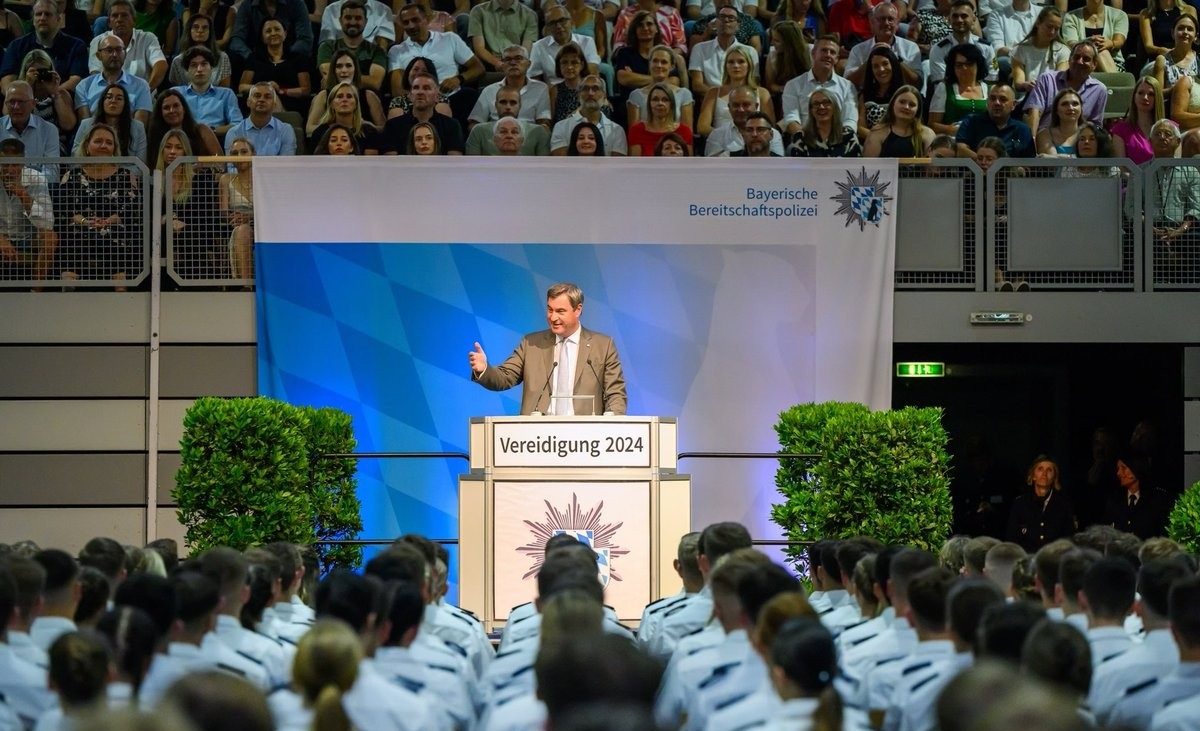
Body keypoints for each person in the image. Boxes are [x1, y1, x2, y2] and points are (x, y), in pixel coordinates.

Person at [469, 282, 627, 416]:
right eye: (550, 310)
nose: (553, 317)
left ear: (578, 310)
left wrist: (612, 426)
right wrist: (484, 369)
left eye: (560, 311)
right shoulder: (531, 344)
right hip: (538, 440)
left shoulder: (602, 345)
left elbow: (615, 394)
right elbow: (504, 378)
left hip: (585, 440)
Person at [57, 124, 139, 288]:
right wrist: (85, 222)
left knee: (115, 234)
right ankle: (67, 295)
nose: (104, 146)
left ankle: (121, 294)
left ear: (114, 148)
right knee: (73, 235)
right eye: (98, 141)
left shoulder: (126, 175)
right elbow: (65, 209)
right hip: (80, 228)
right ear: (87, 145)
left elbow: (131, 208)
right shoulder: (71, 175)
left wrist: (108, 221)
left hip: (114, 227)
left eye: (109, 142)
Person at [388, 3, 482, 100]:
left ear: (427, 20)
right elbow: (397, 90)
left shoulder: (450, 39)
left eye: (415, 20)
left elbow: (478, 67)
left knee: (469, 94)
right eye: (406, 23)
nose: (411, 26)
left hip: (450, 98)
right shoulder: (396, 51)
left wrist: (458, 79)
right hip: (416, 103)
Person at [0, 0, 87, 94]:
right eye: (38, 14)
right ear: (33, 20)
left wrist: (51, 95)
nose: (42, 18)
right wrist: (24, 94)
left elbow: (76, 80)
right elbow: (6, 82)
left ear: (58, 19)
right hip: (22, 103)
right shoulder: (16, 46)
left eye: (48, 14)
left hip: (59, 100)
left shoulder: (76, 46)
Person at [779, 34, 857, 138]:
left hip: (838, 140)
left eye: (832, 52)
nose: (828, 55)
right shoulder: (793, 85)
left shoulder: (847, 87)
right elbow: (791, 118)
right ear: (813, 53)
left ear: (837, 59)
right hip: (804, 139)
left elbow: (850, 120)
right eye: (824, 50)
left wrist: (840, 141)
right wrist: (804, 140)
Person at [0, 138, 55, 284]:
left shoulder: (36, 178)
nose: (10, 170)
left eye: (15, 164)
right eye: (5, 164)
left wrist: (23, 194)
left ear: (23, 162)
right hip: (1, 236)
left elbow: (47, 224)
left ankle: (35, 292)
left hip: (28, 238)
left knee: (50, 238)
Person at [1023, 39, 1107, 132]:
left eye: (1086, 59)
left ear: (1094, 65)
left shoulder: (1099, 89)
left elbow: (1095, 124)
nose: (1080, 62)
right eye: (1076, 57)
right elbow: (1034, 113)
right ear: (1069, 60)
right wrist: (1033, 140)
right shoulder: (1047, 79)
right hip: (1045, 137)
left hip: (1077, 141)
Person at [236, 18, 311, 116]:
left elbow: (305, 89)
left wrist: (281, 91)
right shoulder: (254, 58)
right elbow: (242, 87)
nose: (273, 33)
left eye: (277, 29)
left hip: (291, 105)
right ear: (262, 37)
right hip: (261, 104)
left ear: (285, 34)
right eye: (268, 31)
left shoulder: (298, 58)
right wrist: (267, 86)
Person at [74, 34, 152, 124]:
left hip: (128, 136)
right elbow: (85, 126)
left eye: (119, 50)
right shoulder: (84, 86)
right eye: (109, 50)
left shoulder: (141, 86)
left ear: (125, 54)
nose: (114, 55)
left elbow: (139, 127)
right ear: (98, 55)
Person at [88, 0, 166, 89]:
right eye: (115, 16)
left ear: (134, 20)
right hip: (110, 98)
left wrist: (146, 91)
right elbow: (96, 76)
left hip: (142, 97)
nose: (119, 19)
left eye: (124, 15)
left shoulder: (148, 39)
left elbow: (161, 65)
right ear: (109, 23)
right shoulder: (98, 42)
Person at [696, 45, 773, 137]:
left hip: (754, 140)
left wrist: (749, 138)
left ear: (749, 65)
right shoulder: (713, 92)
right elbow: (702, 127)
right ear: (726, 66)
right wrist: (731, 137)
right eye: (731, 62)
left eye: (741, 62)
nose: (736, 66)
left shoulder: (762, 93)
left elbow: (770, 126)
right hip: (722, 141)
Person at [467, 45, 551, 128]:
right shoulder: (489, 90)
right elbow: (475, 122)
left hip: (528, 136)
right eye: (507, 59)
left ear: (528, 64)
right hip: (494, 135)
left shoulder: (540, 88)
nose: (513, 63)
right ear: (502, 65)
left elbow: (544, 122)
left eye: (518, 58)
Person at [379, 72, 463, 153]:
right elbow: (391, 163)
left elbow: (455, 162)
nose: (420, 92)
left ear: (437, 97)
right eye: (416, 88)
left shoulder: (452, 126)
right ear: (410, 96)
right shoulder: (392, 126)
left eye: (426, 88)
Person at [1006, 456, 1076, 552]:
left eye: (1049, 470)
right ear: (1033, 475)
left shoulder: (1064, 505)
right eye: (1040, 469)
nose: (1044, 474)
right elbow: (1012, 540)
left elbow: (1069, 540)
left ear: (1055, 477)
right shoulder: (1020, 504)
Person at [845, 2, 922, 89]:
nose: (886, 23)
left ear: (897, 23)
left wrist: (895, 59)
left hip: (900, 97)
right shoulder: (858, 50)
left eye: (890, 19)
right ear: (872, 23)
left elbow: (917, 84)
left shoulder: (911, 47)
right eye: (881, 19)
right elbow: (848, 83)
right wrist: (871, 59)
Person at [316, 0, 387, 92]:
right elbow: (329, 78)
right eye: (348, 18)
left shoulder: (377, 51)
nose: (353, 22)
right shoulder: (327, 47)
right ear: (340, 21)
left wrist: (339, 77)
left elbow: (375, 82)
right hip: (334, 97)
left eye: (358, 18)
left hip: (366, 99)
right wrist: (362, 79)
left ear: (365, 21)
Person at [687, 6, 756, 99]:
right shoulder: (699, 49)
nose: (726, 20)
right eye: (722, 17)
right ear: (716, 22)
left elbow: (753, 83)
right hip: (710, 100)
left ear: (738, 26)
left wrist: (734, 98)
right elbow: (697, 85)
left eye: (731, 18)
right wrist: (722, 97)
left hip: (741, 100)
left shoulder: (750, 51)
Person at [173, 46, 242, 138]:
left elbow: (237, 125)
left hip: (216, 140)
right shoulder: (176, 93)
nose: (199, 69)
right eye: (194, 65)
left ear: (212, 68)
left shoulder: (226, 94)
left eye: (204, 64)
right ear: (187, 70)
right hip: (183, 141)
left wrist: (210, 131)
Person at [550, 74, 627, 155]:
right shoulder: (561, 127)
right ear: (578, 94)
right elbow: (561, 164)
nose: (590, 93)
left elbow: (617, 165)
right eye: (585, 89)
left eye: (595, 89)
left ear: (604, 95)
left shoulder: (617, 131)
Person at [954, 83, 1035, 159]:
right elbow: (960, 150)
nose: (997, 103)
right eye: (992, 98)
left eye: (1003, 99)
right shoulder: (971, 122)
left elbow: (1030, 163)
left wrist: (1001, 167)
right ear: (987, 102)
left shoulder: (1023, 130)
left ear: (1013, 105)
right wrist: (986, 162)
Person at [314, 49, 385, 134]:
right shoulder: (324, 95)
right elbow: (309, 128)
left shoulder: (368, 96)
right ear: (334, 70)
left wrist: (367, 125)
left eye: (348, 65)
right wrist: (334, 127)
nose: (344, 70)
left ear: (355, 69)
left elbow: (383, 128)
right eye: (339, 66)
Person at [1103, 453, 1173, 539]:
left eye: (1124, 468)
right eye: (1118, 469)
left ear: (1136, 469)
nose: (1119, 473)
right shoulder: (1114, 500)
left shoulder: (1158, 499)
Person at [146, 88, 221, 168]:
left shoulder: (202, 131)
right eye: (166, 108)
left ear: (184, 108)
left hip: (201, 179)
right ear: (160, 113)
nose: (172, 110)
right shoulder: (155, 136)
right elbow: (151, 166)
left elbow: (221, 163)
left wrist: (201, 166)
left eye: (176, 106)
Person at [20, 49, 76, 156]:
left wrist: (55, 93)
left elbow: (68, 125)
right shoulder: (17, 93)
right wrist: (28, 87)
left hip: (55, 145)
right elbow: (9, 117)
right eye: (35, 72)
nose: (40, 76)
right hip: (25, 143)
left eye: (43, 71)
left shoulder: (61, 94)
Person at [73, 83, 147, 163]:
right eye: (109, 97)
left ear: (125, 104)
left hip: (127, 174)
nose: (113, 101)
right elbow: (75, 156)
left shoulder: (138, 127)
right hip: (90, 171)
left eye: (119, 98)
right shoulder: (86, 124)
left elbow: (141, 163)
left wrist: (120, 174)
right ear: (102, 101)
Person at [464, 86, 550, 155]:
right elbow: (472, 166)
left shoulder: (538, 132)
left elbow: (545, 166)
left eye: (513, 103)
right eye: (503, 102)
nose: (508, 107)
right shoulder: (478, 131)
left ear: (520, 106)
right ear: (496, 105)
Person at [927, 0, 994, 87]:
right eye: (955, 16)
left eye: (964, 16)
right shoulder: (938, 49)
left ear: (973, 19)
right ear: (949, 20)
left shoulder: (986, 48)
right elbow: (941, 83)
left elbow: (992, 79)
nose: (959, 20)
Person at [929, 42, 990, 135]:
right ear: (952, 68)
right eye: (959, 65)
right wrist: (949, 129)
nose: (964, 68)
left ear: (978, 65)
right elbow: (932, 125)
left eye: (969, 64)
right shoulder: (944, 88)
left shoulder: (989, 90)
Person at [532, 4, 601, 86]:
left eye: (562, 20)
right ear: (547, 27)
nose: (558, 26)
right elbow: (534, 77)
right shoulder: (538, 46)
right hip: (553, 91)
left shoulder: (586, 41)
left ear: (571, 22)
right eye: (553, 23)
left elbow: (593, 71)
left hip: (581, 88)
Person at [625, 44, 692, 127]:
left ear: (672, 67)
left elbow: (687, 132)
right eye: (655, 61)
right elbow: (634, 133)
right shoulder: (636, 95)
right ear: (649, 64)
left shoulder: (684, 94)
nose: (659, 65)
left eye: (664, 62)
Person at [0, 82, 59, 177]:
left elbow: (52, 173)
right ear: (6, 104)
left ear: (33, 104)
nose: (16, 107)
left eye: (21, 102)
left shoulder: (49, 130)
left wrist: (25, 182)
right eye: (11, 102)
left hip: (37, 189)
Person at [706, 84, 784, 156]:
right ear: (729, 108)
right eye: (736, 105)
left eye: (746, 105)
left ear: (756, 106)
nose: (741, 110)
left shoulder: (774, 135)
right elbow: (712, 168)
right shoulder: (717, 135)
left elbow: (778, 166)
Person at [1010, 7, 1069, 102]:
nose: (1052, 32)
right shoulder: (1020, 50)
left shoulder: (1063, 51)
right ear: (1038, 23)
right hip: (1025, 100)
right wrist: (1025, 85)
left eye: (1056, 29)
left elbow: (1059, 82)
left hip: (1050, 99)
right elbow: (1018, 82)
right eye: (1049, 27)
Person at [228, 0, 312, 66]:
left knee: (304, 59)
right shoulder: (247, 5)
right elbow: (236, 39)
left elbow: (305, 39)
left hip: (290, 57)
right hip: (257, 58)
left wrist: (283, 58)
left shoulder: (297, 3)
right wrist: (251, 57)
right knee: (234, 58)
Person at [467, 0, 537, 76]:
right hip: (489, 64)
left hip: (516, 64)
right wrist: (498, 63)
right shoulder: (478, 11)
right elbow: (479, 48)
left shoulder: (530, 15)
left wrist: (511, 64)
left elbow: (525, 50)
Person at [224, 82, 296, 156]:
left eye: (267, 97)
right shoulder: (234, 132)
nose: (261, 99)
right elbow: (231, 166)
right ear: (248, 102)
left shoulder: (285, 130)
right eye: (257, 96)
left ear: (274, 105)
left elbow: (286, 164)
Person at [309, 81, 380, 154]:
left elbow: (369, 163)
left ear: (356, 104)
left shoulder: (369, 132)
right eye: (339, 96)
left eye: (349, 96)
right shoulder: (319, 133)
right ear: (331, 104)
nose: (344, 100)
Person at [864, 84, 935, 157]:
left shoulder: (928, 134)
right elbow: (869, 167)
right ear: (893, 104)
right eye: (902, 102)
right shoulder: (877, 133)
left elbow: (933, 167)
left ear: (918, 110)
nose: (906, 107)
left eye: (912, 105)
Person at [786, 89, 862, 156]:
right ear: (811, 110)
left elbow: (856, 168)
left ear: (834, 107)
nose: (821, 107)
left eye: (826, 102)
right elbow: (798, 170)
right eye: (816, 104)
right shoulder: (801, 137)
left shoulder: (849, 136)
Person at [220, 137, 254, 281]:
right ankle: (246, 286)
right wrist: (233, 218)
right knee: (242, 231)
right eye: (234, 153)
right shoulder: (226, 179)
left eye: (244, 151)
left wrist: (250, 217)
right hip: (236, 225)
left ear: (254, 154)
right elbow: (223, 212)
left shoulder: (263, 178)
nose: (239, 156)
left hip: (263, 225)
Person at [1062, 0, 1128, 73]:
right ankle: (1116, 82)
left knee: (1101, 51)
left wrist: (1109, 44)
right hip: (1081, 62)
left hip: (1113, 62)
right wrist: (1088, 43)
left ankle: (1115, 81)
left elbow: (1119, 41)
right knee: (1093, 50)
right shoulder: (1071, 17)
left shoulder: (1119, 15)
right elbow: (1071, 44)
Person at [628, 82, 693, 155]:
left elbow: (688, 163)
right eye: (655, 99)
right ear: (649, 104)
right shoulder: (637, 130)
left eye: (665, 100)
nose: (660, 103)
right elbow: (635, 164)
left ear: (671, 105)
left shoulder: (684, 131)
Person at [168, 14, 231, 88]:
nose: (200, 30)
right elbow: (177, 91)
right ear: (189, 31)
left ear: (210, 32)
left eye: (205, 28)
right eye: (196, 27)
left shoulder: (222, 57)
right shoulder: (178, 61)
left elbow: (225, 91)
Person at [1112, 76, 1164, 164]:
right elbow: (1121, 168)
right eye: (1140, 93)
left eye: (1151, 94)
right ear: (1134, 97)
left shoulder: (1171, 130)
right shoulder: (1120, 130)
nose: (1145, 97)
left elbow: (1175, 168)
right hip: (1132, 177)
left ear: (1157, 98)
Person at [856, 46, 904, 140]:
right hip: (870, 142)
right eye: (875, 66)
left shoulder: (904, 93)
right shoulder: (865, 94)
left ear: (893, 65)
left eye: (885, 64)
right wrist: (878, 140)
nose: (881, 69)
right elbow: (860, 128)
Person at [763, 20, 810, 100]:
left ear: (790, 42)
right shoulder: (773, 55)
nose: (772, 43)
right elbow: (771, 85)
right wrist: (786, 88)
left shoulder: (811, 52)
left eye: (777, 41)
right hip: (784, 95)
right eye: (772, 39)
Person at [1151, 14, 1196, 95]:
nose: (1185, 32)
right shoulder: (1162, 60)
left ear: (1196, 36)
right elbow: (1157, 94)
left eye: (1190, 29)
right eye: (1180, 28)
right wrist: (1179, 88)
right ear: (1172, 33)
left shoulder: (1199, 60)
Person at [1143, 0, 1196, 67]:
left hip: (1185, 57)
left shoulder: (1189, 10)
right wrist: (1164, 51)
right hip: (1159, 59)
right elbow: (1148, 47)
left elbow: (1194, 38)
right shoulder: (1146, 14)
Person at [1036, 87, 1083, 156]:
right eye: (1065, 104)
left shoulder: (1089, 133)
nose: (1071, 108)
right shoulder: (1045, 134)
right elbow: (1054, 164)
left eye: (1075, 104)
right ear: (1056, 110)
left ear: (1081, 108)